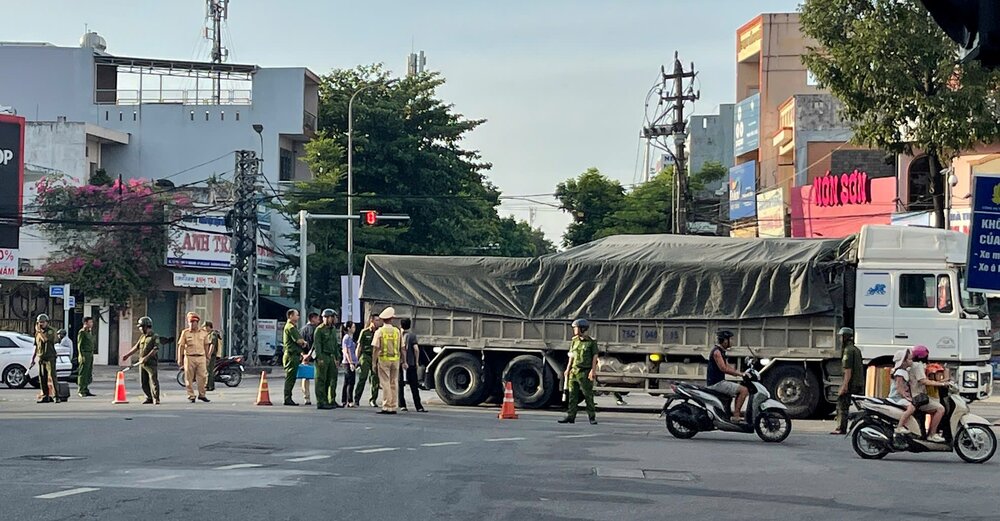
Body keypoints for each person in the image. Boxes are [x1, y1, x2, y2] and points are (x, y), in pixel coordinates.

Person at [559, 318, 599, 425]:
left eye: (576, 328)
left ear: (582, 329)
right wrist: (568, 369)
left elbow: (595, 357)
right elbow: (571, 356)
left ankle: (592, 417)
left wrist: (593, 370)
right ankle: (570, 416)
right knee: (572, 395)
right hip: (574, 371)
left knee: (588, 395)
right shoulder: (574, 341)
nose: (574, 330)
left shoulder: (591, 342)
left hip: (585, 372)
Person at [706, 330, 748, 423]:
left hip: (719, 382)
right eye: (731, 339)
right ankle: (736, 416)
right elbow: (724, 368)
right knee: (744, 390)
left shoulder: (721, 351)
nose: (732, 341)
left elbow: (727, 366)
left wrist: (741, 373)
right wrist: (740, 374)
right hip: (716, 384)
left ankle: (728, 414)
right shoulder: (717, 352)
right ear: (725, 340)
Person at [909, 345, 947, 443]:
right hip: (919, 397)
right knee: (940, 409)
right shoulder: (917, 366)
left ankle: (931, 432)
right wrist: (941, 384)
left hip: (919, 395)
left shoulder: (916, 365)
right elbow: (923, 381)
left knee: (936, 405)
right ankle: (932, 434)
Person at [120, 316, 160, 404]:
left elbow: (156, 349)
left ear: (146, 326)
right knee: (143, 382)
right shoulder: (142, 337)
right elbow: (136, 347)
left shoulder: (154, 336)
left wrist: (147, 357)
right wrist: (127, 355)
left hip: (151, 363)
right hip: (142, 363)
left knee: (153, 380)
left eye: (141, 327)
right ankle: (149, 397)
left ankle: (156, 398)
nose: (140, 329)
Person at [832, 327, 864, 435]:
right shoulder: (856, 349)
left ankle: (841, 428)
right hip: (859, 383)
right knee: (860, 406)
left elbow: (848, 370)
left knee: (842, 405)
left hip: (851, 383)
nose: (839, 339)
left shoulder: (848, 351)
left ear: (845, 337)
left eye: (841, 337)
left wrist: (844, 386)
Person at [372, 307, 402, 415]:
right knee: (394, 383)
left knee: (385, 383)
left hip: (384, 360)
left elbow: (376, 348)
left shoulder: (379, 331)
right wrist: (403, 360)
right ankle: (393, 406)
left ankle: (386, 406)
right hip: (395, 360)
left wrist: (373, 362)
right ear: (391, 319)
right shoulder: (397, 331)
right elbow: (402, 347)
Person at [177, 312, 211, 403]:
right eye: (190, 322)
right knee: (189, 378)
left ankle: (202, 394)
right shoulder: (185, 333)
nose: (192, 324)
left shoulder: (203, 333)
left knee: (203, 377)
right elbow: (181, 346)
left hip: (201, 357)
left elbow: (206, 345)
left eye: (193, 322)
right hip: (189, 357)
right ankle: (191, 395)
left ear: (197, 322)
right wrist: (179, 358)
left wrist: (208, 357)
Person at [313, 308, 341, 410]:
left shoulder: (332, 329)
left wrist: (337, 357)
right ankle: (321, 401)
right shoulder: (319, 330)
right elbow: (317, 345)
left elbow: (335, 344)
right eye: (332, 317)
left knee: (331, 379)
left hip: (331, 356)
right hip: (323, 356)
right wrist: (320, 358)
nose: (334, 319)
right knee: (321, 380)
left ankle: (330, 400)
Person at [29, 314, 60, 403]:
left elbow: (45, 340)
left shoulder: (50, 331)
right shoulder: (37, 333)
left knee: (52, 376)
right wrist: (33, 359)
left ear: (47, 322)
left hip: (50, 357)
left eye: (42, 322)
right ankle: (45, 396)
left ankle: (56, 396)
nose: (41, 324)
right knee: (42, 377)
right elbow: (37, 346)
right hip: (41, 357)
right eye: (39, 322)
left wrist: (39, 332)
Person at [353, 314, 382, 408]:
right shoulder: (365, 332)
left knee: (375, 379)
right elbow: (359, 346)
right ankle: (356, 399)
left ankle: (373, 400)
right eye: (376, 320)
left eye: (379, 320)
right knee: (363, 377)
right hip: (366, 355)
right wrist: (356, 360)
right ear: (371, 321)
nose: (378, 322)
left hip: (376, 357)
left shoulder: (379, 332)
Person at [398, 318, 425, 412]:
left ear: (401, 325)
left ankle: (402, 405)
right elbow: (416, 349)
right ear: (409, 325)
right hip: (411, 363)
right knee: (414, 386)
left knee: (400, 385)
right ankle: (419, 406)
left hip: (400, 363)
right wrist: (416, 362)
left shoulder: (398, 335)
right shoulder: (412, 336)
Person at [888, 348, 917, 435]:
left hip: (900, 396)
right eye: (909, 359)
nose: (911, 361)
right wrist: (905, 396)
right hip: (896, 397)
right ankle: (899, 426)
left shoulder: (904, 371)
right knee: (911, 408)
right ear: (903, 361)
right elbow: (899, 386)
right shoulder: (900, 372)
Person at [282, 309, 307, 406]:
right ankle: (287, 398)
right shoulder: (291, 327)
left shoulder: (291, 326)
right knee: (290, 378)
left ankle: (288, 398)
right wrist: (304, 343)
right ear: (291, 316)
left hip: (293, 355)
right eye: (296, 315)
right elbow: (299, 340)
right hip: (291, 356)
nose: (298, 317)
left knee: (291, 377)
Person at [299, 312, 321, 406]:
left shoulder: (302, 330)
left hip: (304, 357)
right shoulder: (316, 330)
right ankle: (320, 397)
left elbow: (298, 344)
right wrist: (310, 354)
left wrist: (303, 355)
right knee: (318, 377)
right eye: (317, 319)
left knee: (305, 378)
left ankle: (306, 398)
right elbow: (316, 344)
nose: (319, 321)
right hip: (314, 357)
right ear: (312, 318)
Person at [76, 316, 96, 397]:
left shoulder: (89, 332)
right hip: (85, 354)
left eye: (92, 322)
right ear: (85, 323)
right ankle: (81, 389)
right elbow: (79, 345)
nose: (91, 324)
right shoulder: (82, 332)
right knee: (83, 372)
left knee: (88, 372)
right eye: (90, 322)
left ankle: (86, 388)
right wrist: (81, 356)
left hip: (90, 354)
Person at [341, 322, 359, 408]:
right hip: (348, 362)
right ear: (348, 328)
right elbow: (347, 351)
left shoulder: (350, 338)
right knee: (350, 382)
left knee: (347, 381)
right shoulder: (347, 337)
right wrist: (351, 362)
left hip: (351, 361)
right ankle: (349, 400)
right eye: (353, 327)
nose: (354, 329)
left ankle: (345, 400)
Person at [203, 321, 222, 392]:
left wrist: (208, 355)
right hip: (210, 355)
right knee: (208, 370)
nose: (204, 328)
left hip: (212, 355)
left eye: (205, 327)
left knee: (209, 370)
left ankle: (209, 386)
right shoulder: (209, 334)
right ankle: (209, 385)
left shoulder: (213, 334)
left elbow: (212, 345)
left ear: (208, 327)